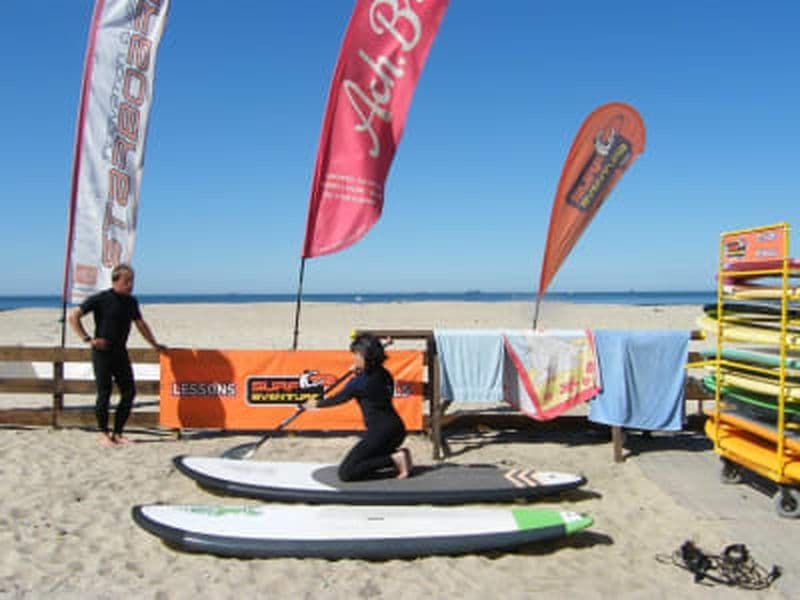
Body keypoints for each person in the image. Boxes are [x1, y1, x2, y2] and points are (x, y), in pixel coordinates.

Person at [68, 263, 167, 447]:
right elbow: (73, 317)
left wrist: (154, 344)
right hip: (102, 353)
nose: (130, 285)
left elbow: (141, 324)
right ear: (115, 281)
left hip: (120, 352)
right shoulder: (101, 299)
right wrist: (88, 339)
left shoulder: (131, 302)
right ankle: (104, 433)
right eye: (126, 281)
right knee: (104, 393)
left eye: (132, 281)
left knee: (129, 392)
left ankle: (118, 432)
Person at [303, 334, 413, 481]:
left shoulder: (359, 383)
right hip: (397, 430)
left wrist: (316, 404)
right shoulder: (384, 373)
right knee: (365, 460)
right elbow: (371, 382)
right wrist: (361, 371)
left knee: (346, 472)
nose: (354, 358)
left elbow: (339, 398)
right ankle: (397, 457)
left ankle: (395, 458)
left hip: (381, 434)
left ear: (365, 357)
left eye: (356, 355)